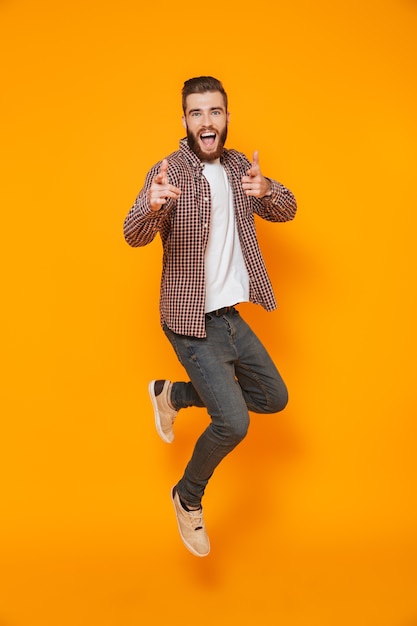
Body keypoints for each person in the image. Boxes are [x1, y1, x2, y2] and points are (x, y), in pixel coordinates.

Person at [123, 76, 297, 557]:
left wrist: (268, 191)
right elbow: (133, 233)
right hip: (188, 321)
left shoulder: (242, 166)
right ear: (184, 121)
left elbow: (288, 210)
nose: (206, 121)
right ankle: (188, 497)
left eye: (214, 112)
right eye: (196, 113)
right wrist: (151, 207)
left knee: (273, 396)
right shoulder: (168, 171)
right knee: (234, 423)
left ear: (226, 117)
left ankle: (172, 394)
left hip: (230, 318)